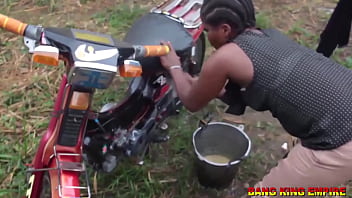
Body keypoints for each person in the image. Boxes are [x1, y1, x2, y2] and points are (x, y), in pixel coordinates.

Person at [159, 0, 352, 197]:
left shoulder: (224, 57)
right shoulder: (269, 36)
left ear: (225, 29)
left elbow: (191, 102)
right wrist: (207, 86)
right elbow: (263, 85)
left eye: (208, 30)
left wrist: (174, 66)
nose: (207, 36)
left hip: (339, 139)